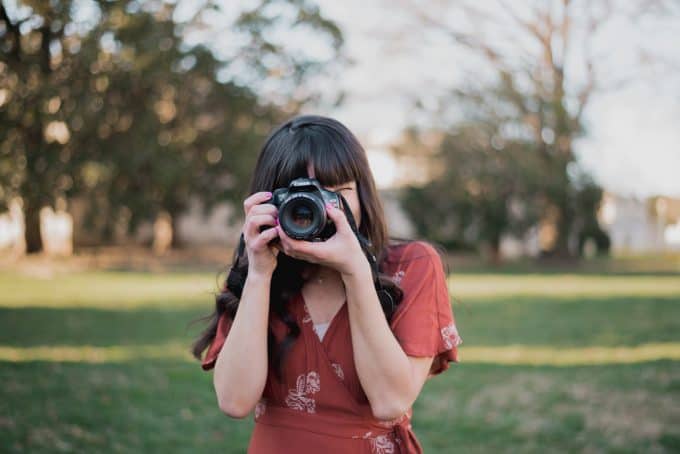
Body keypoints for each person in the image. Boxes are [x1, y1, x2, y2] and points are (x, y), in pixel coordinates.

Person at [192, 114, 463, 453]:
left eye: (337, 191)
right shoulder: (257, 272)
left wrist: (356, 272)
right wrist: (260, 274)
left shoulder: (412, 265)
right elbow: (234, 401)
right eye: (298, 196)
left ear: (362, 193)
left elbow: (389, 401)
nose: (316, 207)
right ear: (267, 200)